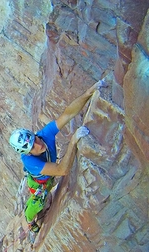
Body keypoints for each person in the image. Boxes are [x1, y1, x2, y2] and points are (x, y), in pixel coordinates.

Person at [9, 78, 107, 232]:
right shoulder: (30, 162)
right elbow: (62, 170)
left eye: (35, 139)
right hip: (39, 183)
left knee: (43, 198)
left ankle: (30, 219)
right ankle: (29, 221)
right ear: (27, 153)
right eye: (32, 147)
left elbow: (67, 114)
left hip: (47, 175)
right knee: (38, 202)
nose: (38, 144)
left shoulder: (44, 135)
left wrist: (88, 93)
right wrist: (73, 141)